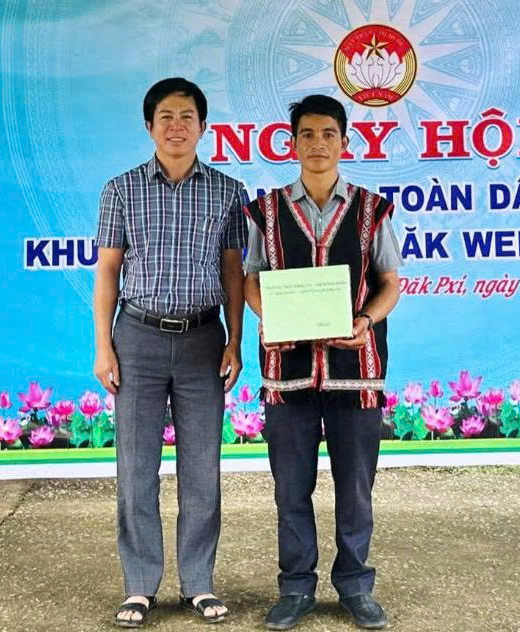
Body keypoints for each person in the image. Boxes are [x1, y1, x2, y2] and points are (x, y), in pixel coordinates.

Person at [243, 95, 402, 630]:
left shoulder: (371, 210)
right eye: (307, 134)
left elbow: (390, 283)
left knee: (355, 487)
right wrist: (270, 316)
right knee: (291, 487)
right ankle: (296, 588)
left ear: (344, 142)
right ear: (291, 144)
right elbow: (251, 279)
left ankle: (355, 585)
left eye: (328, 134)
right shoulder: (266, 212)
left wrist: (366, 320)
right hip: (287, 373)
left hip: (355, 373)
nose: (317, 144)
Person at [93, 77, 247, 628]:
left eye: (187, 117)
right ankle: (139, 585)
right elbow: (107, 271)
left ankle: (198, 583)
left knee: (202, 468)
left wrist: (235, 340)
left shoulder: (228, 192)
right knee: (136, 467)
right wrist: (104, 346)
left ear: (203, 127)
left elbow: (233, 271)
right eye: (166, 117)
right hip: (138, 338)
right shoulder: (121, 190)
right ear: (149, 126)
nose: (176, 126)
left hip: (204, 339)